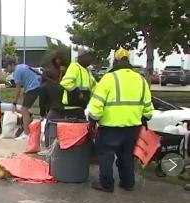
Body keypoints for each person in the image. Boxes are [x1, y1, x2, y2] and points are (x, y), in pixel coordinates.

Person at [88, 48, 154, 193]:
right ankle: (128, 183)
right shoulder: (140, 79)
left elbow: (97, 104)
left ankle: (106, 184)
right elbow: (148, 107)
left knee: (106, 155)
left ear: (116, 61)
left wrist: (92, 121)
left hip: (110, 127)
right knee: (127, 154)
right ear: (128, 61)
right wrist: (144, 119)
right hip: (132, 127)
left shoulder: (109, 78)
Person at [6, 60, 44, 140]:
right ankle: (28, 122)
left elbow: (18, 89)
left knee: (24, 110)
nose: (6, 70)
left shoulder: (16, 72)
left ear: (11, 65)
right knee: (24, 108)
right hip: (35, 87)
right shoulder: (22, 66)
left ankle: (27, 133)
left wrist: (14, 102)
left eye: (7, 67)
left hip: (32, 88)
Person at [59, 49, 96, 119]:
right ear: (82, 57)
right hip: (72, 108)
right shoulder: (74, 66)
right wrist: (78, 94)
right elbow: (66, 82)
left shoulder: (87, 71)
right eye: (89, 56)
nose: (91, 59)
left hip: (82, 107)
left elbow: (95, 87)